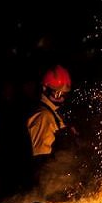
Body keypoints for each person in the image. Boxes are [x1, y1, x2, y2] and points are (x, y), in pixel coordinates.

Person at [26, 65, 78, 196]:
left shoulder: (56, 114)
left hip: (61, 183)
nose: (61, 98)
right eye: (57, 93)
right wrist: (51, 191)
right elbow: (41, 162)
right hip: (51, 189)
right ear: (45, 88)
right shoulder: (43, 116)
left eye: (64, 94)